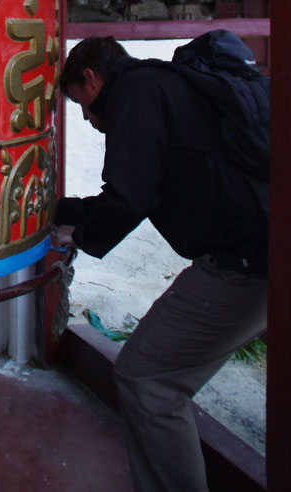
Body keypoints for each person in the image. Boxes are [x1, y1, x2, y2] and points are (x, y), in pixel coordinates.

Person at [54, 35, 268, 492]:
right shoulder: (165, 85)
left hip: (242, 264)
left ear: (91, 78)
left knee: (147, 378)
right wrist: (62, 213)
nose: (90, 120)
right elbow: (137, 192)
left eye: (81, 103)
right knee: (159, 377)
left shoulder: (137, 91)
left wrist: (79, 235)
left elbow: (130, 196)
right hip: (261, 252)